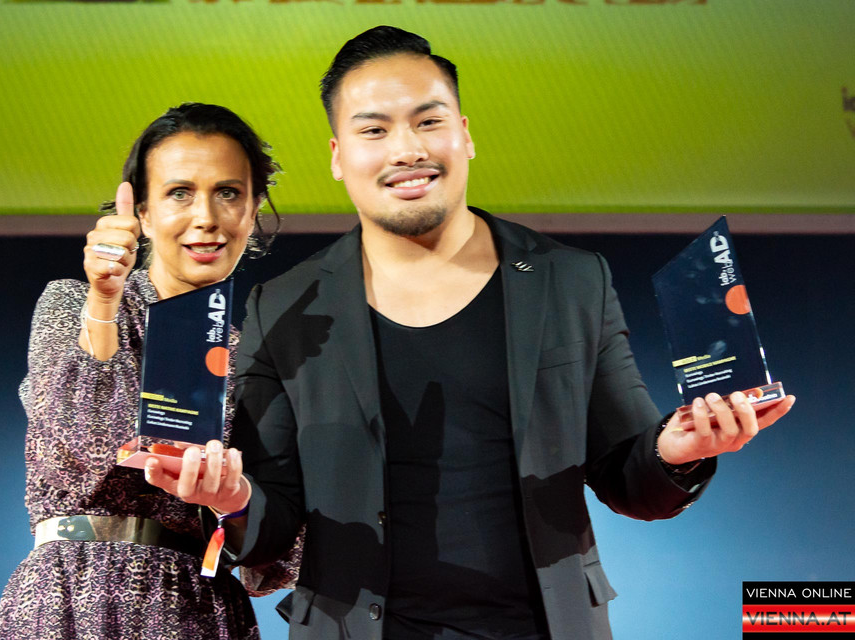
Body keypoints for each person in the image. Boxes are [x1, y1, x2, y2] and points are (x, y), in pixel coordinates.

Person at [144, 27, 796, 640]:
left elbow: (629, 478)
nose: (407, 150)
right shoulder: (284, 305)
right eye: (375, 130)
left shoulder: (570, 281)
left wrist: (677, 451)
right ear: (339, 157)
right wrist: (232, 499)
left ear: (465, 134)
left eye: (428, 121)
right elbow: (271, 523)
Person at [0, 103, 295, 640]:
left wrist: (232, 502)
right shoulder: (72, 305)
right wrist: (104, 300)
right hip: (70, 599)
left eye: (228, 192)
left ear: (253, 211)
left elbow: (275, 562)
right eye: (180, 192)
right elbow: (79, 444)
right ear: (144, 214)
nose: (206, 216)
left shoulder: (261, 362)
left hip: (198, 609)